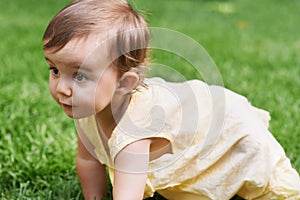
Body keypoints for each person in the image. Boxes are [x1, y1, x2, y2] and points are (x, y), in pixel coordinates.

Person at [42, 0, 300, 199]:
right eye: (54, 70)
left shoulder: (135, 128)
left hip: (229, 129)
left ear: (124, 83)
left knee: (270, 185)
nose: (62, 88)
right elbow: (88, 159)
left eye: (79, 76)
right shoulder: (86, 105)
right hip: (192, 112)